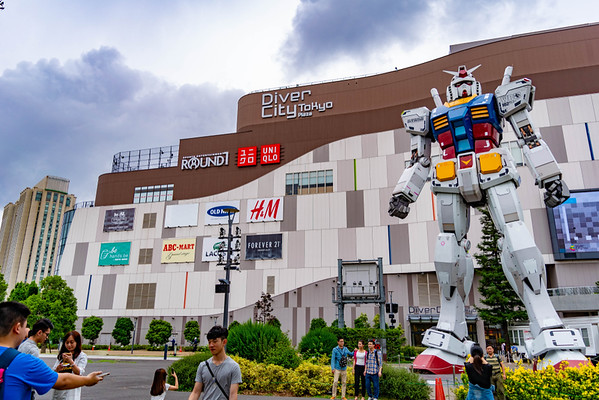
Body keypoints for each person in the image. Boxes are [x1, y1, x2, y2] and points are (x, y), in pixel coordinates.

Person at [0, 301, 103, 400]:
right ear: (17, 328)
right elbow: (63, 381)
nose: (27, 330)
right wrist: (88, 380)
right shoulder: (26, 361)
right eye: (25, 326)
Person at [188, 325, 242, 400]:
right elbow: (195, 393)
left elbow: (233, 395)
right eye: (209, 342)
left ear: (224, 342)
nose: (211, 345)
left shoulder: (234, 367)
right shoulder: (203, 366)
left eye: (214, 341)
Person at [51, 331, 88, 400]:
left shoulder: (82, 356)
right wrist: (58, 369)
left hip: (72, 392)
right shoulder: (62, 355)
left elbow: (79, 372)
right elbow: (53, 373)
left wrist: (71, 361)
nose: (69, 345)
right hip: (60, 390)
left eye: (71, 342)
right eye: (67, 342)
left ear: (77, 342)